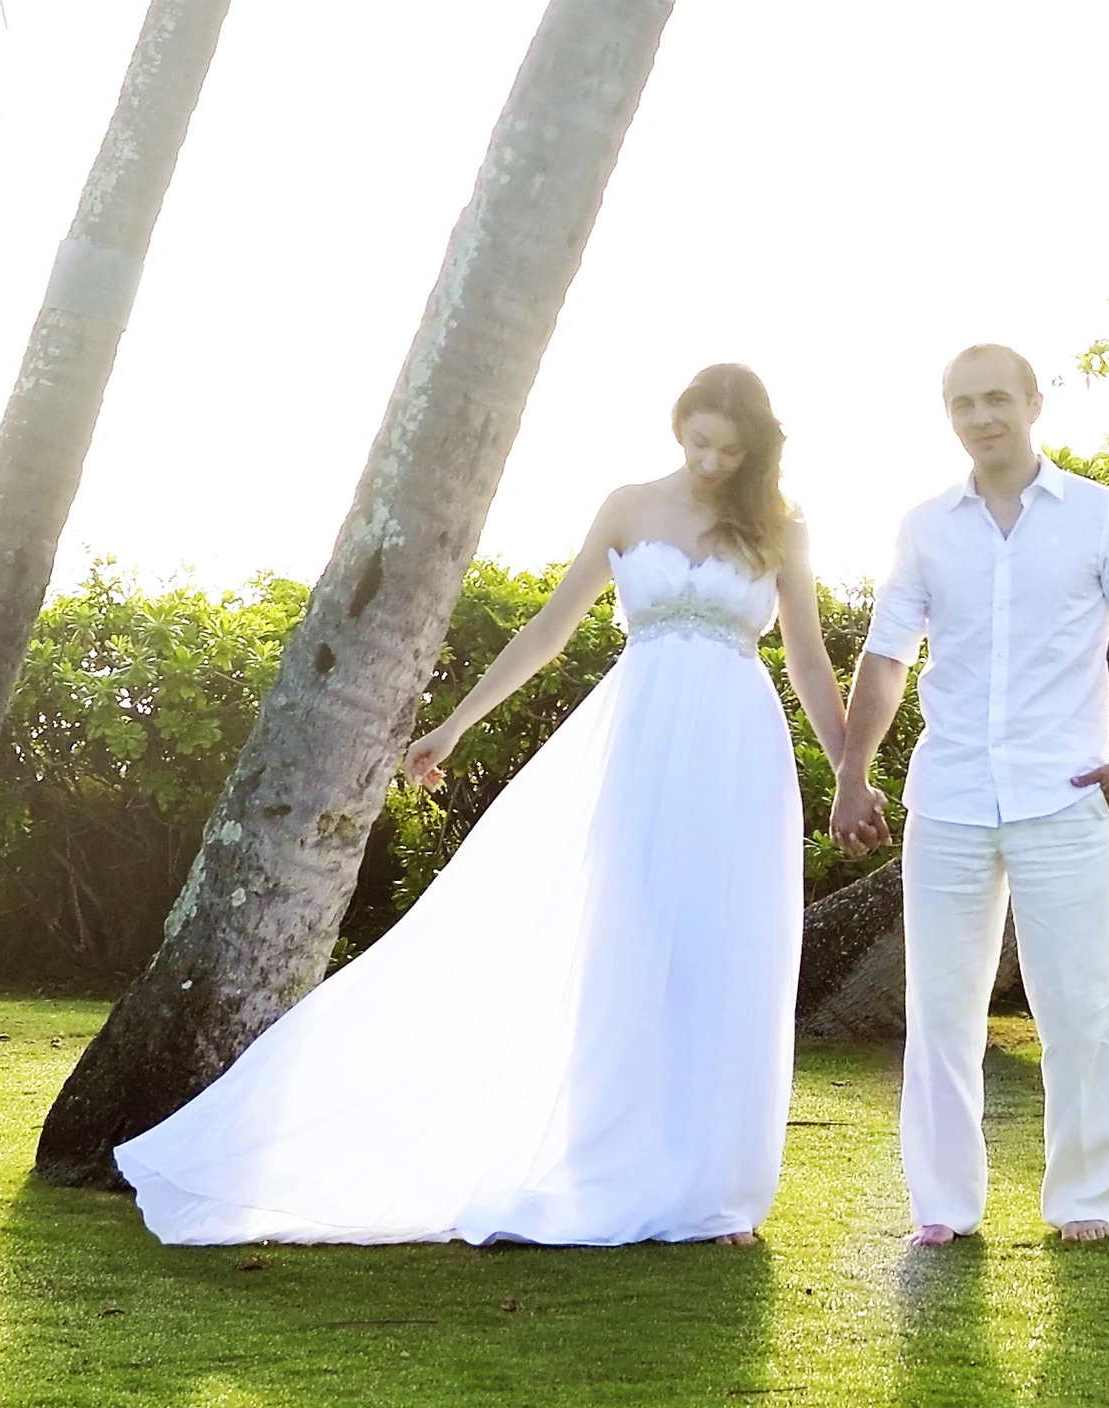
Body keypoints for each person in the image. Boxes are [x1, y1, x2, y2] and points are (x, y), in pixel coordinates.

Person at [114, 364, 846, 1249]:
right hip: (643, 738)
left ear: (755, 445)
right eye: (699, 440)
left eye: (730, 449)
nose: (711, 459)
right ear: (677, 425)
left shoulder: (780, 524)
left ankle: (716, 1192)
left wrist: (851, 771)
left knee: (725, 952)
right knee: (627, 942)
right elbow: (550, 628)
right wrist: (457, 724)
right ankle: (609, 1162)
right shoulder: (627, 505)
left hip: (736, 745)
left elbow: (808, 660)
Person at [831, 343, 1109, 1245]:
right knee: (941, 1014)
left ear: (1033, 401)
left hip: (1063, 798)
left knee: (1077, 1008)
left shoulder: (1103, 516)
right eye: (962, 404)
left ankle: (1086, 1202)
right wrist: (852, 771)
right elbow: (886, 657)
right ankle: (943, 1209)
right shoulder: (924, 527)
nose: (981, 417)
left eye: (995, 399)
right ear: (949, 416)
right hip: (945, 802)